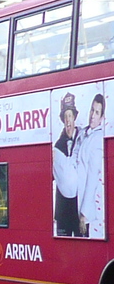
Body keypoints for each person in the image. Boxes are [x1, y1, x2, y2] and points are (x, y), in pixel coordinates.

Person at [54, 93, 85, 238]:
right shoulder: (57, 146)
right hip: (63, 211)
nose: (68, 121)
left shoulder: (84, 139)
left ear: (74, 118)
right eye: (65, 117)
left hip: (80, 209)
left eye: (70, 116)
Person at [78, 93, 107, 239]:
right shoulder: (83, 132)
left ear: (102, 118)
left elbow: (92, 178)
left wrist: (84, 213)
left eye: (97, 112)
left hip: (82, 207)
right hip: (72, 202)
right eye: (91, 110)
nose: (92, 116)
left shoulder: (97, 140)